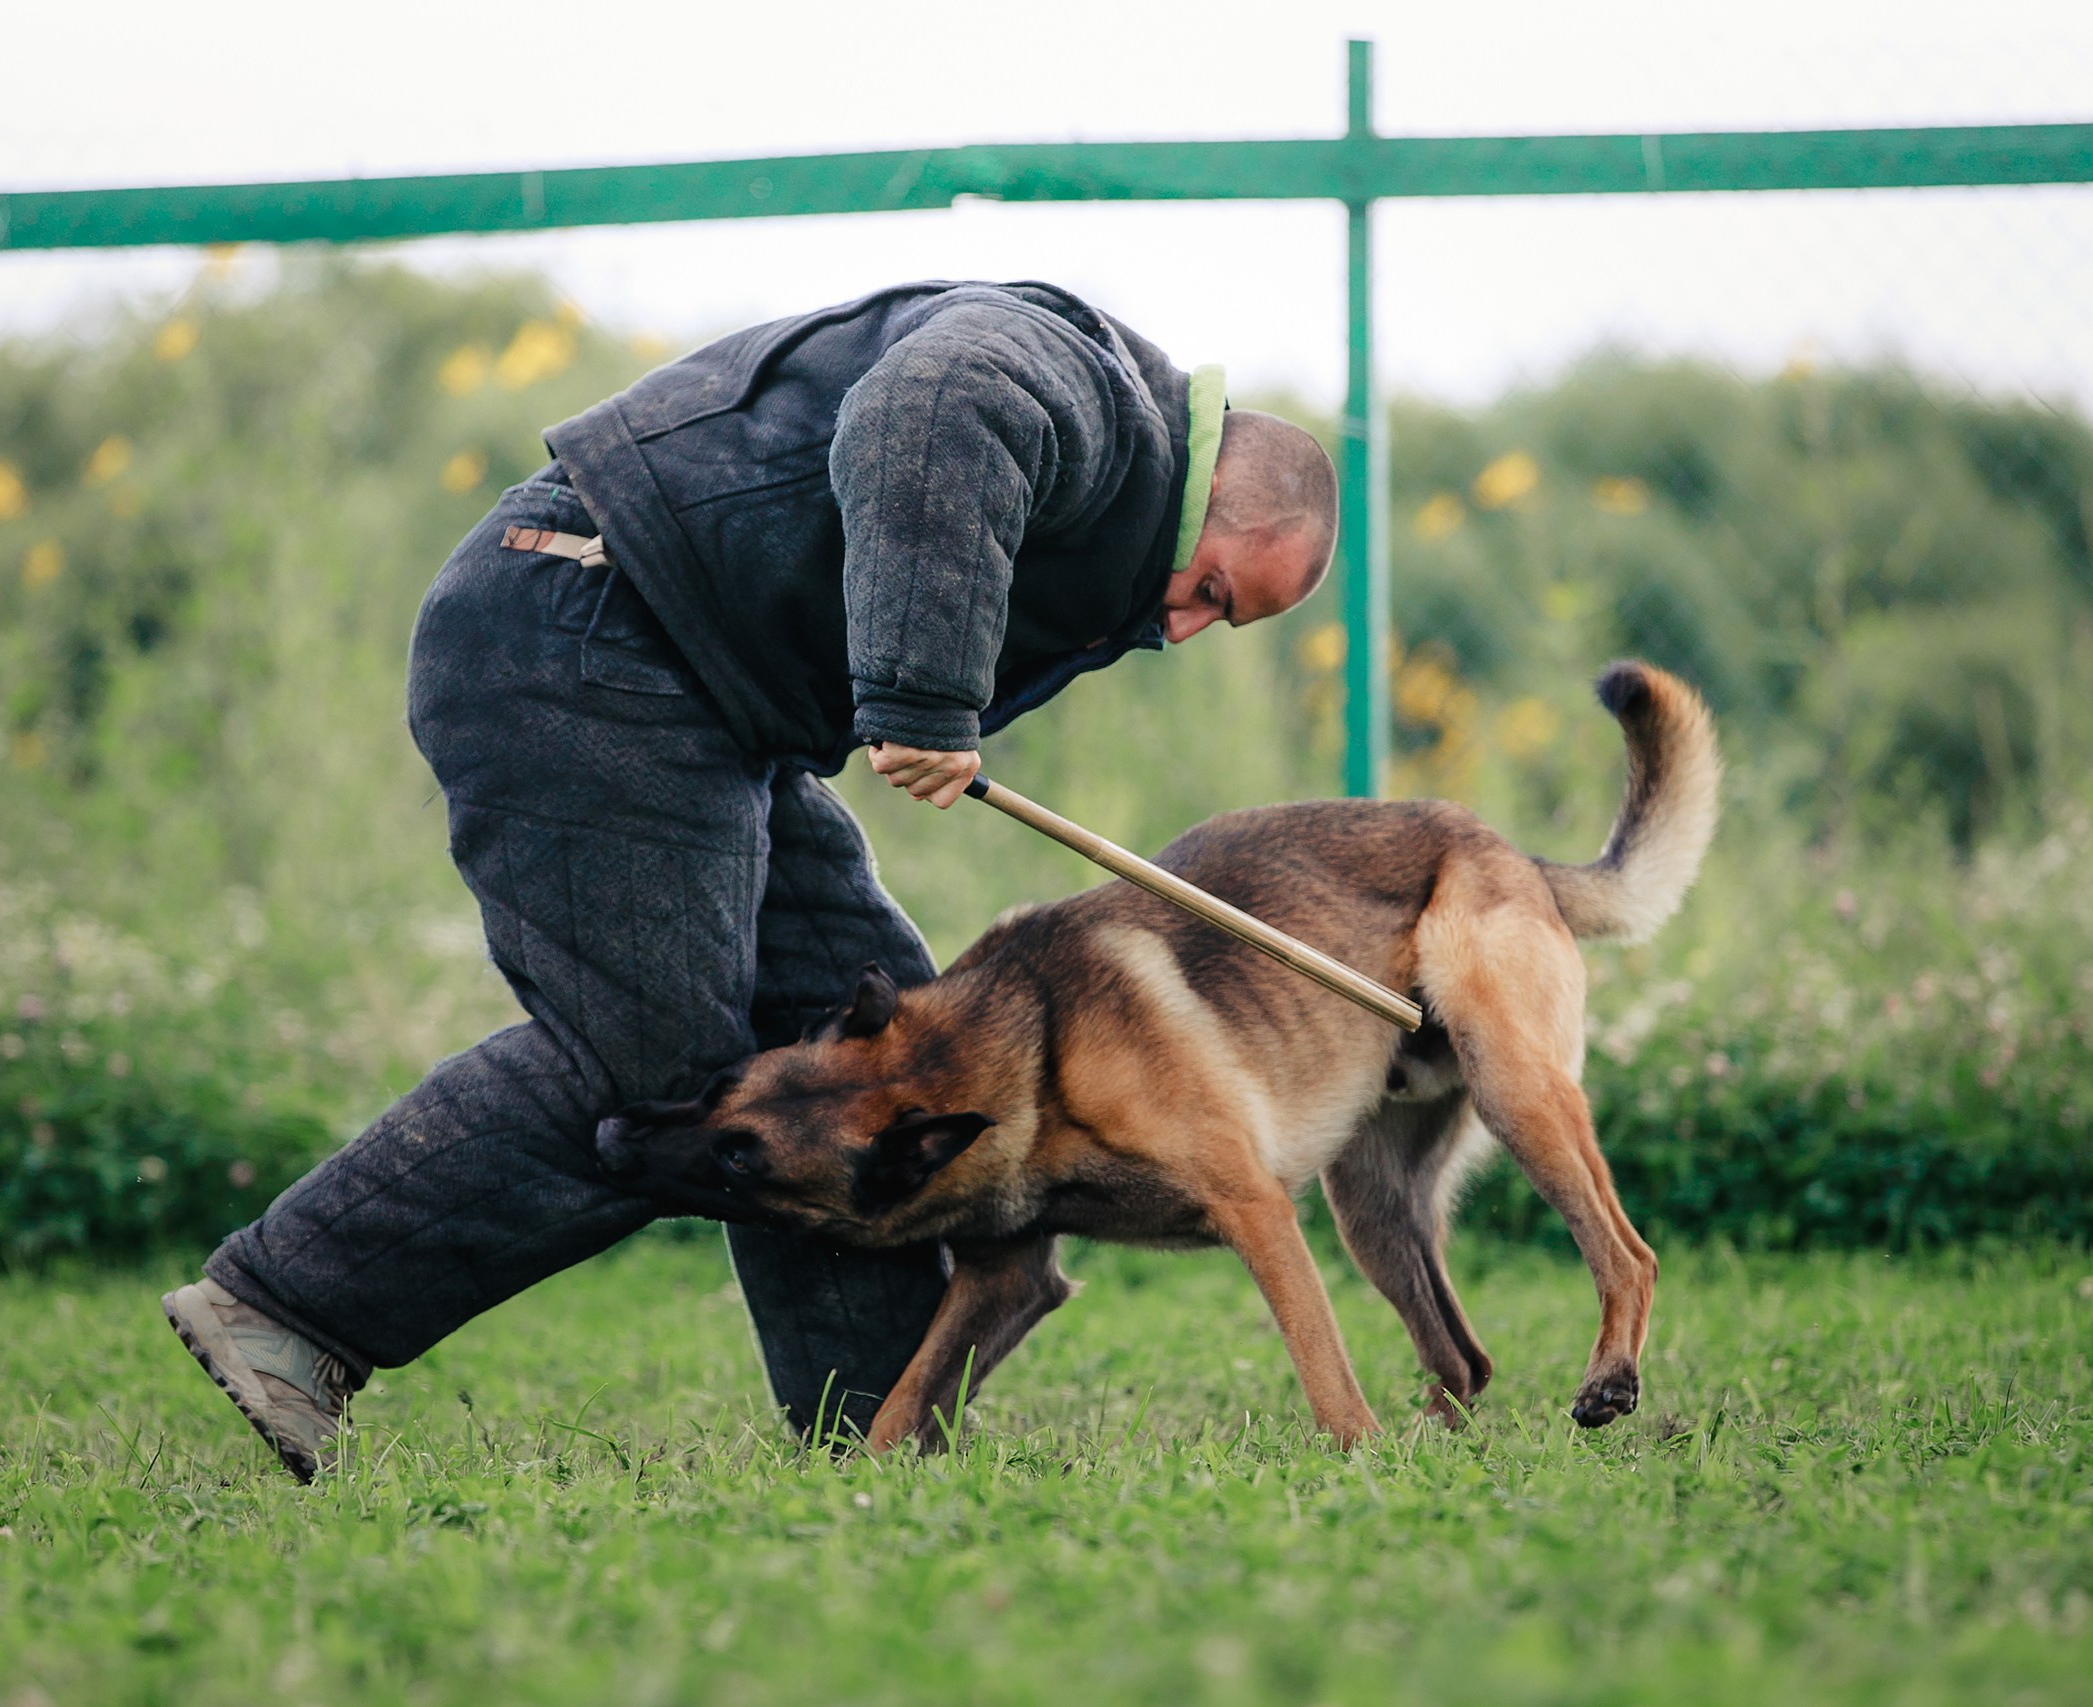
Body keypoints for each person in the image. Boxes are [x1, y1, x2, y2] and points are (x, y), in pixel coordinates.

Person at [161, 279, 1340, 1481]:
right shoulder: (1075, 382)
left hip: (700, 696)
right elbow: (930, 403)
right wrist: (921, 695)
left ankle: (872, 1426)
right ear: (1210, 497)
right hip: (588, 632)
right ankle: (287, 1308)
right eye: (1210, 594)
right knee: (668, 1072)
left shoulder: (1115, 468)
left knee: (861, 1050)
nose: (1183, 630)